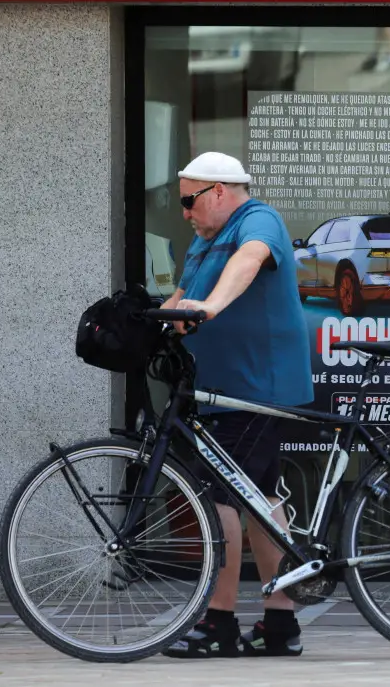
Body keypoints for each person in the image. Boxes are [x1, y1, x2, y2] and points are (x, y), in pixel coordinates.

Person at [158, 151, 314, 659]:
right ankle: (280, 623)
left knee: (218, 498)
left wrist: (211, 307)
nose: (184, 212)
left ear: (218, 192)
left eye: (188, 200)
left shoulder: (257, 220)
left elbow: (248, 261)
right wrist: (144, 321)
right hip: (221, 390)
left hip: (255, 388)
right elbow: (180, 300)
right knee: (260, 498)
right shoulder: (202, 243)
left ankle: (219, 622)